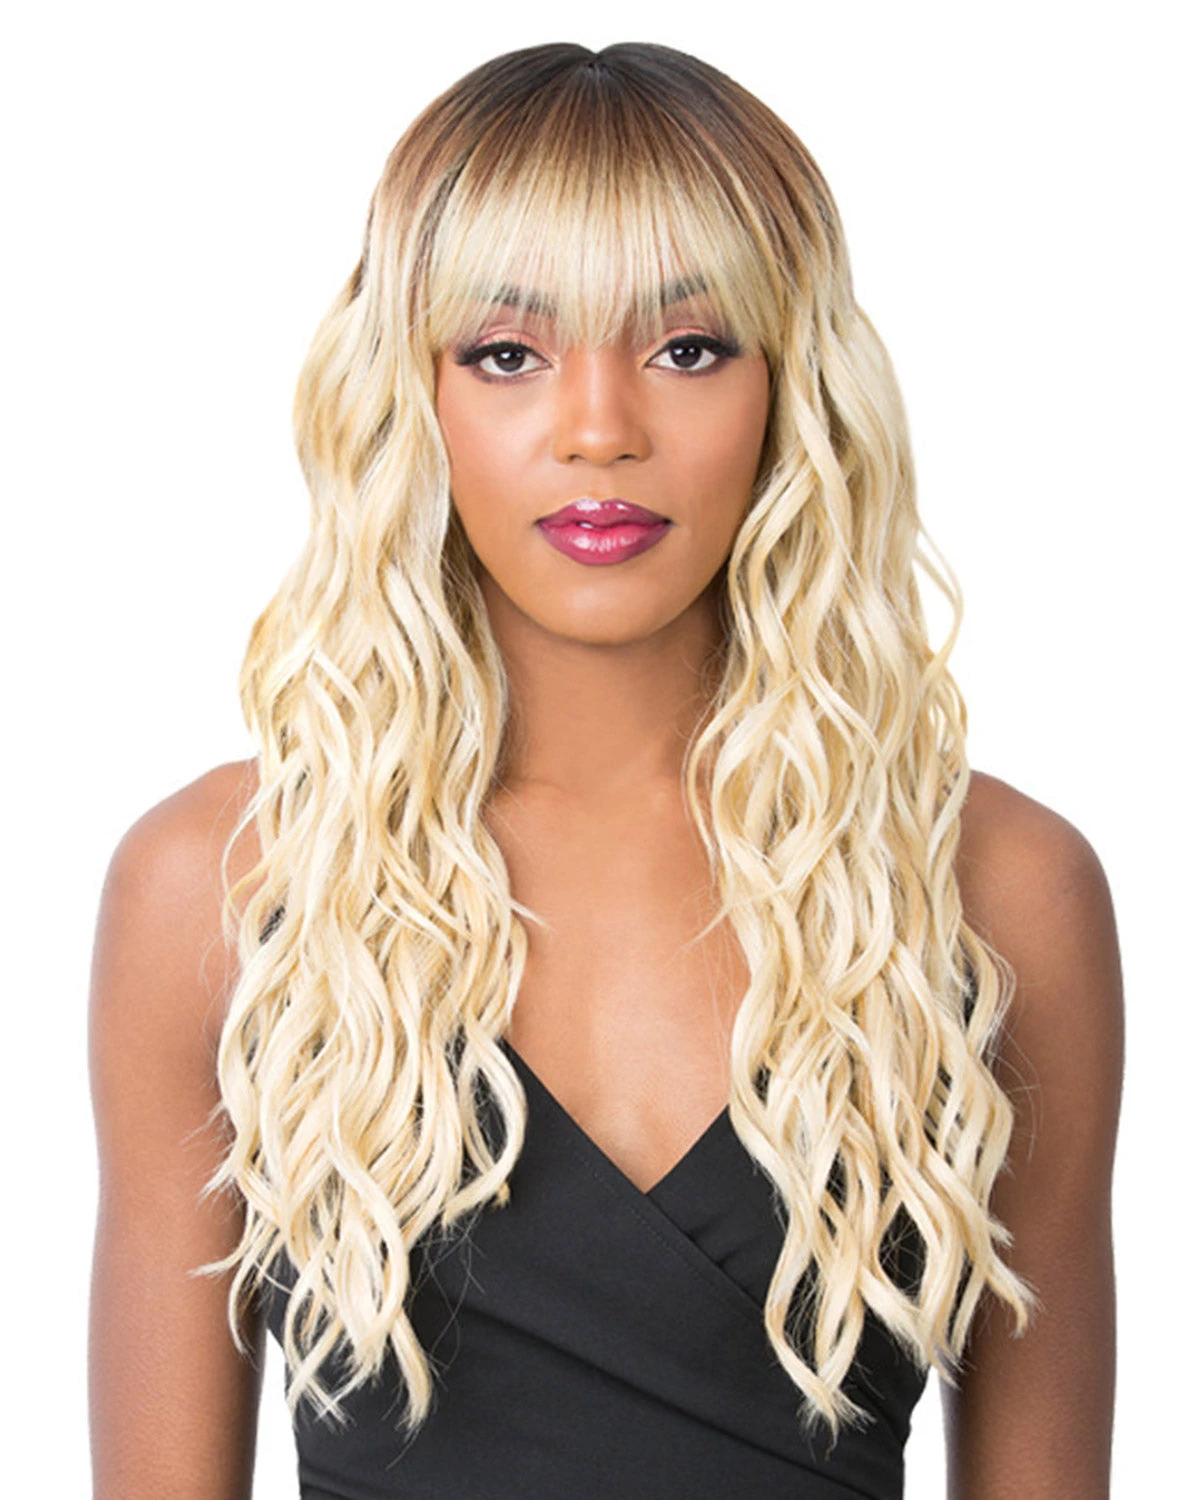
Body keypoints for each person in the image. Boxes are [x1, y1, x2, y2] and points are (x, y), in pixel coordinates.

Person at [87, 40, 1124, 1500]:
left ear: (793, 387)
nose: (598, 431)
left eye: (687, 348)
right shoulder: (222, 885)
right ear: (410, 392)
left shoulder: (999, 891)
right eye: (507, 354)